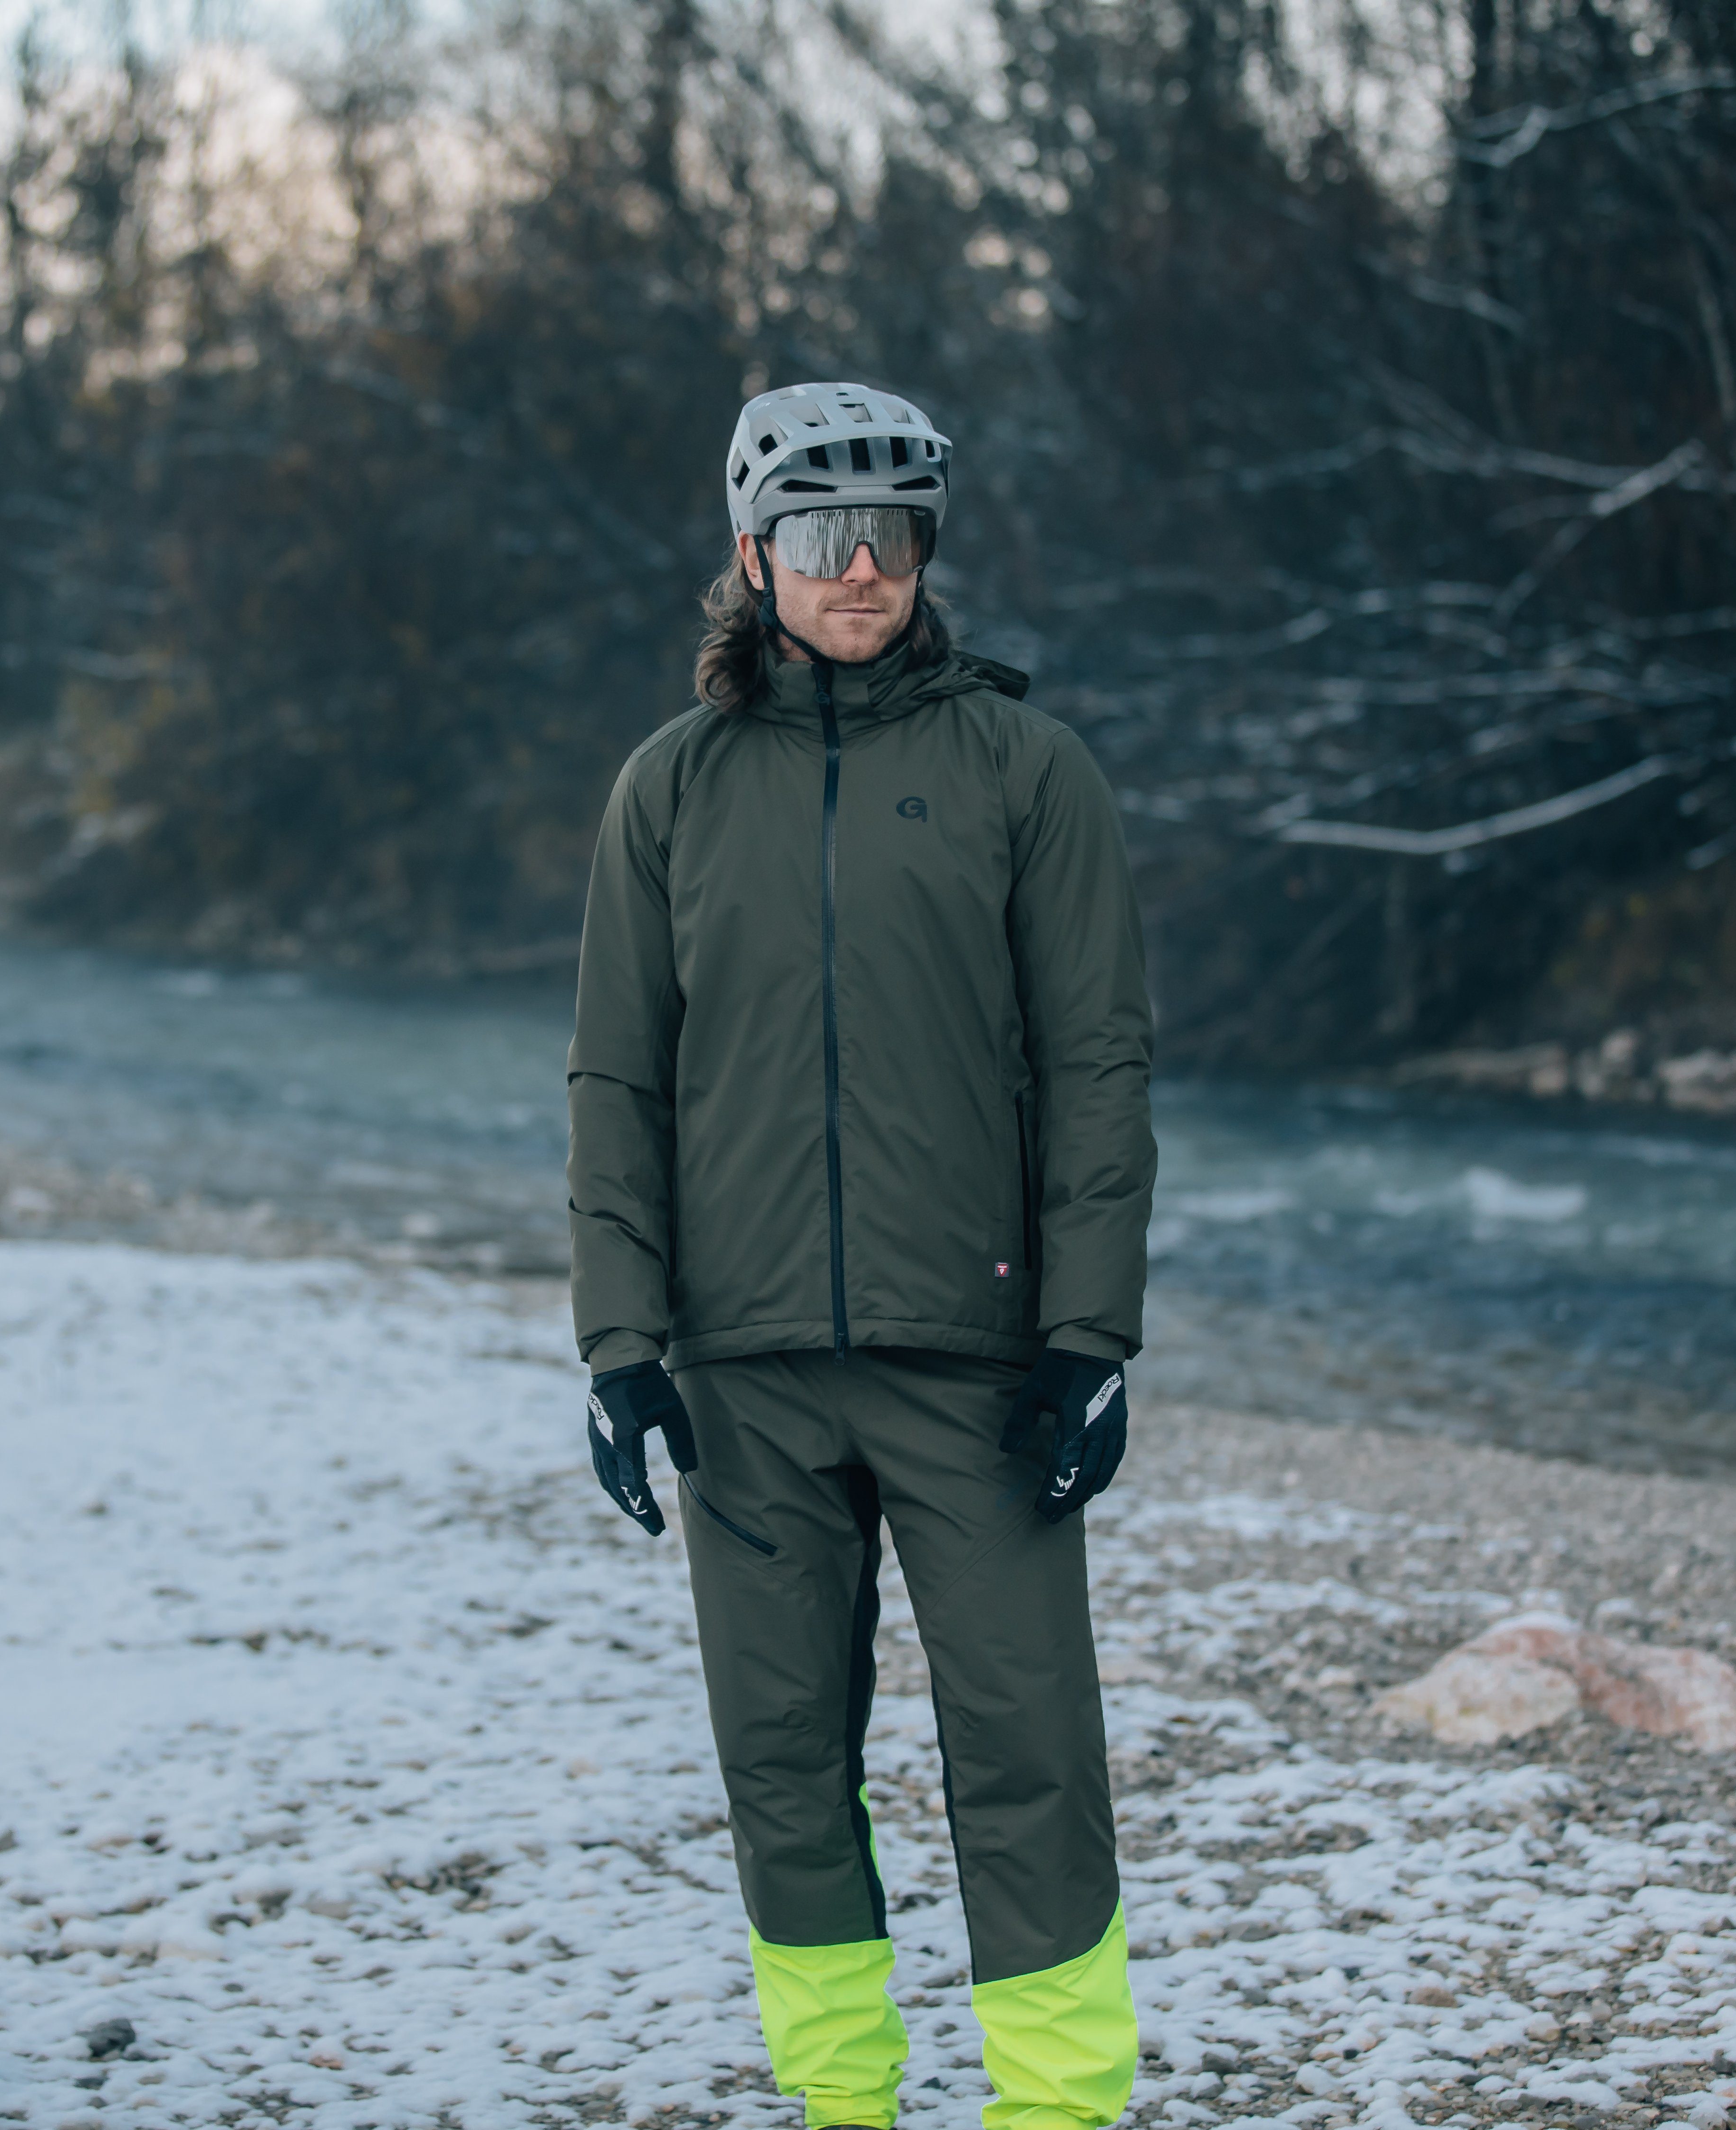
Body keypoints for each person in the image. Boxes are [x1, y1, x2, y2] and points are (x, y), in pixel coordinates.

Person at [565, 381, 1155, 2130]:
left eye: (892, 534)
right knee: (785, 1769)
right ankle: (846, 2104)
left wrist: (1091, 1336)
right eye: (822, 536)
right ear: (751, 556)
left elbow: (1098, 1065)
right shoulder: (667, 794)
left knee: (1032, 1757)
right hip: (743, 1377)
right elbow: (619, 1074)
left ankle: (1053, 2111)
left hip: (977, 1369)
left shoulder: (1025, 772)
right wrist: (620, 1342)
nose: (860, 569)